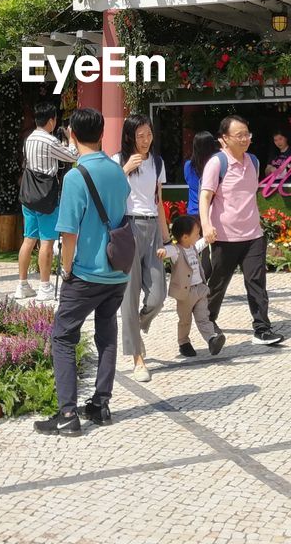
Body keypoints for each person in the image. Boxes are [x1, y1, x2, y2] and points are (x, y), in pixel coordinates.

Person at [37, 107, 131, 436]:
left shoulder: (76, 176)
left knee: (63, 337)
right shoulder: (118, 172)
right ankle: (100, 405)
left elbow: (68, 233)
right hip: (117, 273)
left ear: (72, 136)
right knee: (107, 335)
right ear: (102, 134)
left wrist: (66, 271)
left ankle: (67, 415)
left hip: (86, 273)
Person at [201, 115, 283, 346]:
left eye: (247, 134)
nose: (245, 139)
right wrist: (207, 225)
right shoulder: (217, 163)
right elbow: (205, 196)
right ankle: (207, 321)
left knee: (256, 282)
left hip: (253, 235)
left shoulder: (254, 162)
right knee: (217, 284)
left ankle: (262, 328)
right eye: (240, 135)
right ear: (224, 139)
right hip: (224, 237)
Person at [112, 114, 169, 382]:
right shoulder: (116, 161)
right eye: (140, 136)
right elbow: (108, 194)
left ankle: (139, 322)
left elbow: (158, 201)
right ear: (129, 137)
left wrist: (166, 238)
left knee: (158, 294)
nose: (145, 140)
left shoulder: (157, 162)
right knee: (130, 294)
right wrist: (123, 171)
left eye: (149, 134)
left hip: (153, 229)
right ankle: (138, 358)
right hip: (128, 227)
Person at [16, 102, 79, 302]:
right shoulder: (49, 141)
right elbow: (72, 156)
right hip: (46, 196)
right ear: (51, 120)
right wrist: (71, 138)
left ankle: (22, 284)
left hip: (28, 195)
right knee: (46, 242)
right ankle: (44, 286)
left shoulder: (29, 139)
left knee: (28, 240)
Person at [156, 214, 226, 358]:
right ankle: (183, 343)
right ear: (185, 237)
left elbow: (202, 243)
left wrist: (208, 238)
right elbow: (168, 251)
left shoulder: (193, 247)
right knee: (185, 320)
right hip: (185, 294)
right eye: (196, 233)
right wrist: (163, 251)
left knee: (203, 317)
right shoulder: (176, 250)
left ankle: (212, 339)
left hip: (200, 289)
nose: (198, 235)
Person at [183, 131, 219, 214]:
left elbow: (188, 180)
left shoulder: (188, 166)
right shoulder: (215, 165)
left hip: (193, 212)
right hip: (211, 212)